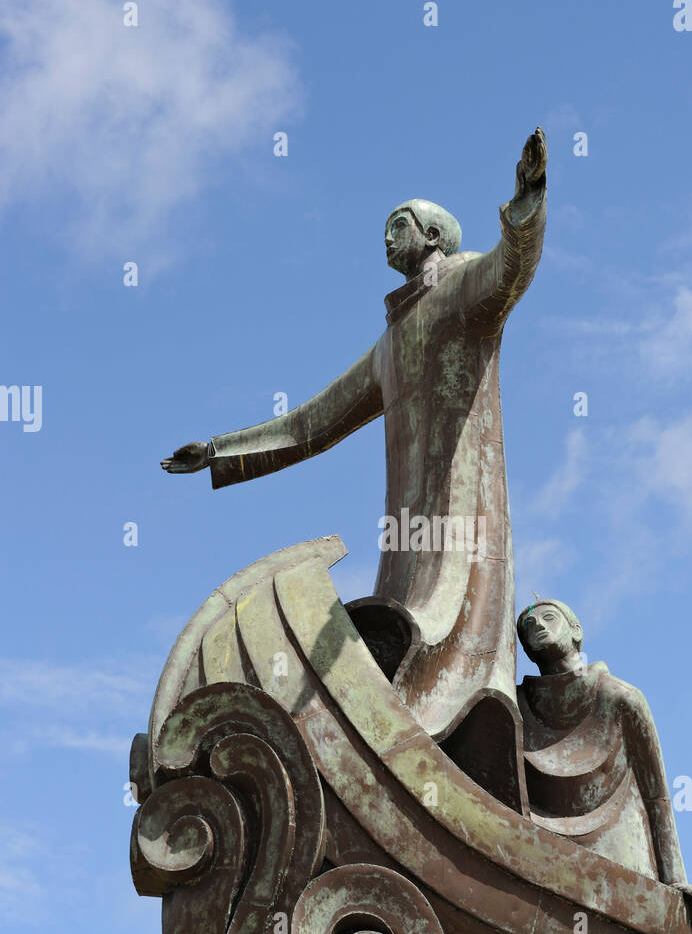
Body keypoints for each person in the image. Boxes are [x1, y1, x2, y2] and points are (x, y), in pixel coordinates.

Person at [161, 131, 548, 812]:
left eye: (395, 226)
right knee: (396, 620)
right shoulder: (392, 340)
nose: (385, 239)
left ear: (430, 235)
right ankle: (390, 750)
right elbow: (311, 424)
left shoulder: (460, 290)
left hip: (461, 508)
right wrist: (221, 450)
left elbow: (509, 272)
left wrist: (525, 205)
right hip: (408, 519)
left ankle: (433, 748)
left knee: (438, 625)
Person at [516, 599, 692, 930]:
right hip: (548, 862)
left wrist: (675, 880)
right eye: (527, 628)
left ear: (576, 631)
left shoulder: (621, 698)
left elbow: (657, 796)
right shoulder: (515, 707)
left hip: (620, 858)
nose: (538, 627)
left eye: (548, 618)